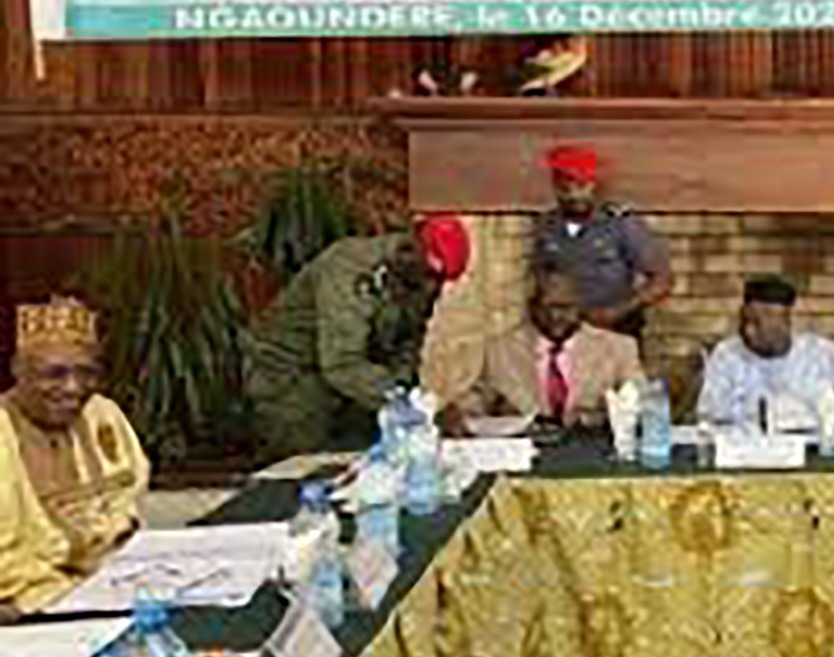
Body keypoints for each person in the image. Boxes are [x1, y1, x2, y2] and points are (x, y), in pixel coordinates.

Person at [247, 216, 470, 457]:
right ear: (412, 248)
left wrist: (407, 388)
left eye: (438, 279)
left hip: (351, 381)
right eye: (430, 273)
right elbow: (341, 362)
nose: (432, 286)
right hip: (291, 379)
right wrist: (404, 402)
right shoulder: (349, 268)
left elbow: (408, 341)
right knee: (307, 466)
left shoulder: (418, 277)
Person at [0, 298, 149, 619]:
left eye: (87, 373)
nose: (73, 388)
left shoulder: (103, 414)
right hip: (26, 608)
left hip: (113, 590)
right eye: (54, 374)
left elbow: (128, 502)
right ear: (17, 370)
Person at [444, 269, 645, 432]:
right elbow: (477, 397)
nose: (555, 317)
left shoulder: (619, 349)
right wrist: (458, 411)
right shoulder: (501, 350)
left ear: (580, 307)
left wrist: (597, 417)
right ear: (531, 307)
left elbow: (641, 403)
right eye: (546, 307)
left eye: (564, 308)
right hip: (525, 453)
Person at [532, 144, 672, 339]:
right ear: (555, 187)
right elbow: (543, 276)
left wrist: (618, 310)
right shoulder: (547, 226)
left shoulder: (621, 223)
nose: (574, 195)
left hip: (616, 329)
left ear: (595, 186)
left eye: (581, 187)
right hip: (567, 331)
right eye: (565, 189)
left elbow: (662, 280)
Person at [698, 276, 834, 432]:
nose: (749, 331)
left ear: (785, 323)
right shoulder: (727, 356)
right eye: (745, 321)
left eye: (758, 323)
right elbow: (709, 416)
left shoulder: (823, 355)